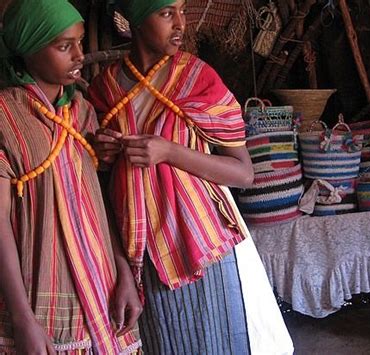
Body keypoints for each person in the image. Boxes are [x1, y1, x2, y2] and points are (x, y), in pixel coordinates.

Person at [89, 0, 294, 354]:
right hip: (140, 250)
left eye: (182, 11)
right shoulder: (106, 89)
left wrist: (169, 152)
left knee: (217, 341)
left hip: (199, 245)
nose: (181, 23)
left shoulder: (197, 78)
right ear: (135, 21)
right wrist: (104, 155)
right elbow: (98, 181)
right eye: (167, 13)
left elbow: (243, 174)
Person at [0, 0, 142, 353]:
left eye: (80, 42)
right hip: (40, 293)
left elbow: (95, 201)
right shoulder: (6, 115)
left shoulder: (81, 112)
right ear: (29, 50)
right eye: (64, 46)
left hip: (101, 282)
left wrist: (122, 270)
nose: (79, 55)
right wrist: (22, 317)